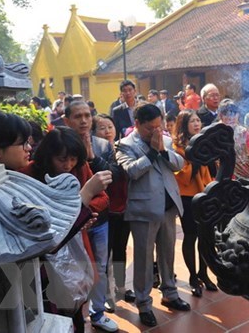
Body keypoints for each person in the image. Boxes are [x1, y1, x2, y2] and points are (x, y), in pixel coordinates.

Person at [20, 127, 114, 332]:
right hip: (47, 252)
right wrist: (80, 207)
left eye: (73, 159)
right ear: (48, 155)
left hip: (77, 242)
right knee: (53, 304)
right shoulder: (29, 173)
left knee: (77, 297)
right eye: (62, 159)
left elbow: (103, 197)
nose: (68, 165)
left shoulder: (79, 169)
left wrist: (86, 212)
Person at [115, 104, 190, 328]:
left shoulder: (164, 139)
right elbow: (132, 171)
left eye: (158, 126)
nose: (155, 132)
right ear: (137, 124)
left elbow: (179, 164)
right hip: (144, 210)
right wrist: (152, 152)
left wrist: (164, 150)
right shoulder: (125, 145)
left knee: (167, 253)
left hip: (168, 207)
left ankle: (170, 292)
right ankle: (144, 304)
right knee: (144, 259)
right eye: (150, 128)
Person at [64, 102, 120, 331]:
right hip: (70, 222)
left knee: (100, 266)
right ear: (67, 120)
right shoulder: (60, 145)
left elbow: (113, 176)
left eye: (87, 115)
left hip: (99, 220)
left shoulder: (102, 144)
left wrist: (91, 157)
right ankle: (73, 314)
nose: (84, 120)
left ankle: (98, 313)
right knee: (72, 268)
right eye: (78, 116)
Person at [92, 114, 137, 310]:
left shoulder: (123, 149)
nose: (107, 131)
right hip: (105, 212)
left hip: (123, 208)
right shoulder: (94, 155)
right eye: (102, 128)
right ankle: (106, 293)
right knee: (105, 256)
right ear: (94, 133)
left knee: (120, 250)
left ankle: (121, 287)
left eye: (110, 126)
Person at [172, 110, 217, 298]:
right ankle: (192, 277)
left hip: (205, 192)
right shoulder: (178, 146)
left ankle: (204, 274)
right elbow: (180, 173)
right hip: (188, 196)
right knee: (191, 236)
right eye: (192, 121)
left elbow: (212, 168)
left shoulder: (204, 141)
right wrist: (197, 160)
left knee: (206, 235)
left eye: (198, 120)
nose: (197, 124)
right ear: (184, 124)